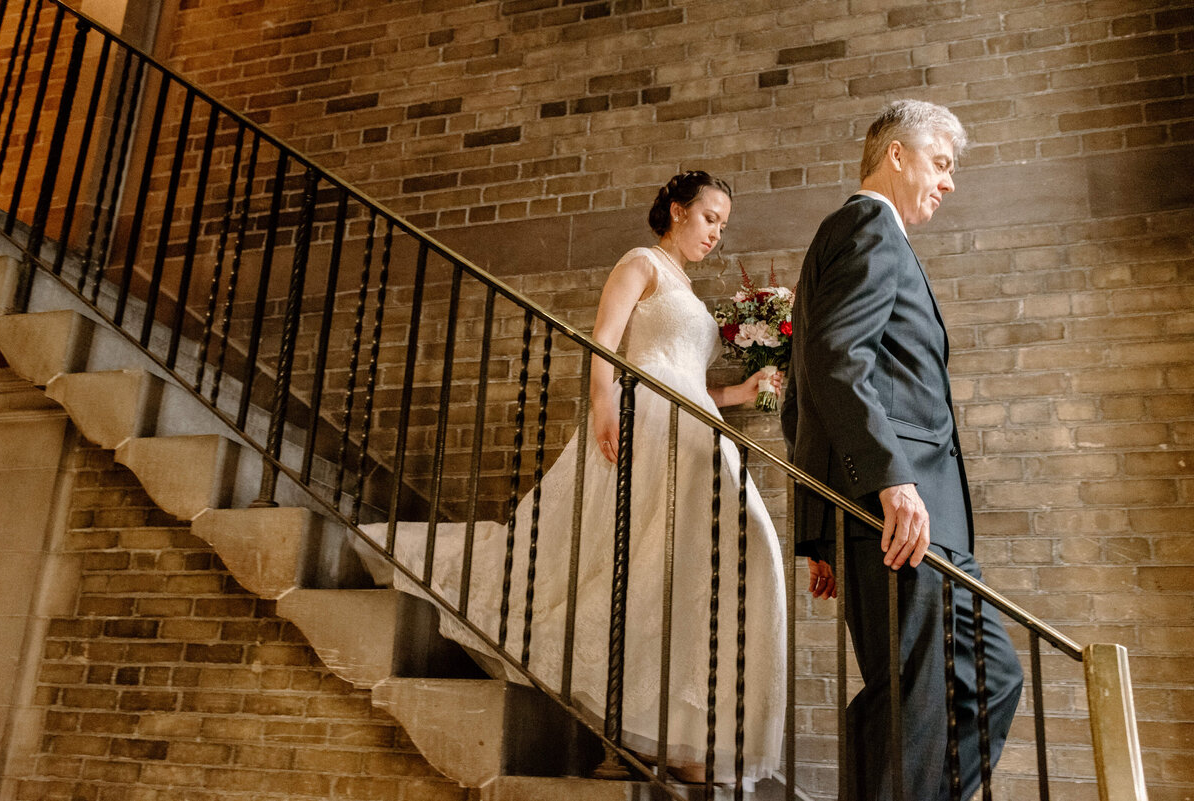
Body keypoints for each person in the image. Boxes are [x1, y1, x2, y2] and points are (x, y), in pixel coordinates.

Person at [365, 171, 787, 787]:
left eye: (724, 223)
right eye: (709, 218)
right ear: (676, 211)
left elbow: (691, 383)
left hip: (694, 430)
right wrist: (604, 407)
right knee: (635, 561)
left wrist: (741, 391)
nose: (717, 232)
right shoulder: (642, 263)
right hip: (642, 424)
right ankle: (643, 726)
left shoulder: (694, 298)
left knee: (691, 565)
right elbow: (606, 341)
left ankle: (684, 737)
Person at [780, 100, 1023, 801]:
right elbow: (831, 361)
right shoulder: (870, 226)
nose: (948, 182)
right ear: (896, 154)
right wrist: (888, 479)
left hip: (887, 508)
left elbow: (805, 393)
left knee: (927, 690)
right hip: (903, 510)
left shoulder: (854, 231)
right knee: (925, 691)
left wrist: (820, 528)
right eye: (941, 164)